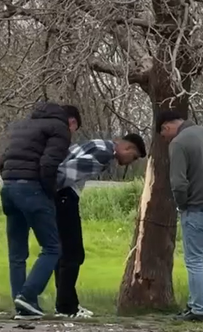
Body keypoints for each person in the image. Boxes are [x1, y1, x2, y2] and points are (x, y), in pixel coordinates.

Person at [54, 133, 147, 319]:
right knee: (73, 254)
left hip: (59, 197)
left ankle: (66, 304)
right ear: (127, 148)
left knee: (63, 253)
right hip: (64, 196)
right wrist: (55, 190)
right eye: (134, 157)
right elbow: (66, 172)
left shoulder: (97, 144)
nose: (130, 162)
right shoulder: (104, 154)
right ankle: (66, 307)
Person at [0, 103, 77, 320]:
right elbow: (48, 164)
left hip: (8, 188)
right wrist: (50, 193)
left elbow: (3, 161)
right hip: (32, 189)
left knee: (17, 254)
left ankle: (23, 306)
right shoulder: (59, 129)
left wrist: (11, 182)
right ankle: (27, 295)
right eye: (74, 128)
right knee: (52, 247)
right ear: (71, 122)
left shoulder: (23, 126)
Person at [157, 110, 203, 323]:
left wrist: (182, 206)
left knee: (194, 260)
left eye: (164, 135)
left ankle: (197, 309)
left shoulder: (179, 143)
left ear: (166, 127)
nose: (166, 139)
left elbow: (178, 183)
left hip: (197, 208)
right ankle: (198, 304)